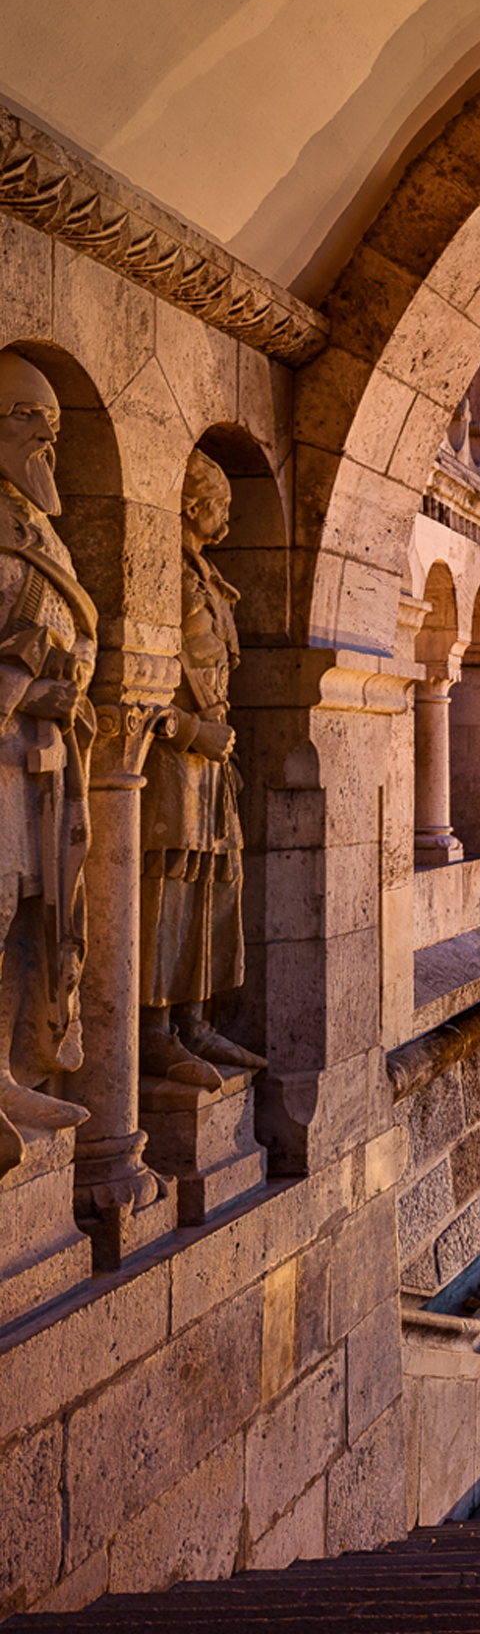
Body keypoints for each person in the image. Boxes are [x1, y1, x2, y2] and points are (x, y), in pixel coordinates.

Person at [138, 454, 264, 1092]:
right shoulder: (160, 569)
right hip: (171, 761)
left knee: (215, 882)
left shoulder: (206, 577)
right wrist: (192, 732)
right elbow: (133, 681)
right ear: (192, 506)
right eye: (221, 504)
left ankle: (195, 1020)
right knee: (168, 888)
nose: (229, 517)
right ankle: (153, 1032)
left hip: (211, 762)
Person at [0, 352, 97, 1174]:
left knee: (30, 924)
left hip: (39, 768)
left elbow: (71, 629)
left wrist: (72, 680)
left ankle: (5, 1076)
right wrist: (35, 691)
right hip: (5, 760)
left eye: (54, 424)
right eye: (29, 418)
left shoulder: (40, 530)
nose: (47, 438)